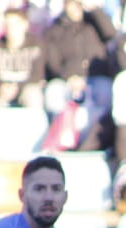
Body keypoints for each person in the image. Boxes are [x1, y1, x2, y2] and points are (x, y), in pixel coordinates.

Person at [43, 0, 117, 151]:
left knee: (106, 91)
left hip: (94, 77)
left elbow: (111, 33)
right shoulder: (55, 29)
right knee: (53, 93)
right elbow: (52, 60)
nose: (77, 7)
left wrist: (93, 9)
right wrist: (69, 77)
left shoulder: (94, 24)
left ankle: (97, 142)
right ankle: (59, 141)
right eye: (73, 3)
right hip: (66, 79)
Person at [0, 6, 46, 117]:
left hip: (25, 87)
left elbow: (37, 74)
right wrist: (1, 86)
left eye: (15, 24)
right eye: (7, 25)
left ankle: (34, 130)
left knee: (33, 94)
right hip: (0, 87)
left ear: (25, 25)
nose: (10, 29)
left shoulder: (36, 45)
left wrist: (17, 87)